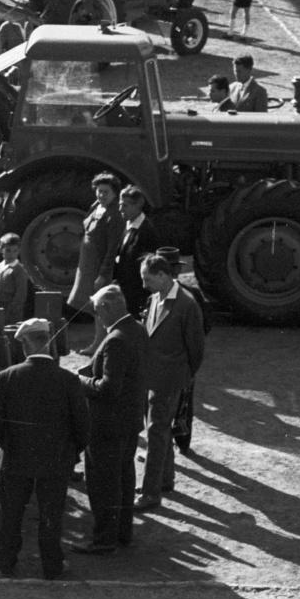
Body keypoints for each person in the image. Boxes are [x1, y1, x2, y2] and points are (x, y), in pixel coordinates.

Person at [0, 318, 89, 580]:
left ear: (25, 343)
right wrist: (70, 451)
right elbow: (82, 425)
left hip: (15, 458)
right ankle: (52, 565)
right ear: (48, 342)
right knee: (51, 516)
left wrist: (8, 446)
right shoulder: (68, 379)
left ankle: (6, 562)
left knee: (11, 514)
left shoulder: (7, 376)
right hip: (55, 460)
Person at [73, 285, 149, 554]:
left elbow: (107, 388)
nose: (97, 317)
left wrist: (79, 379)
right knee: (123, 480)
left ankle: (104, 539)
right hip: (129, 421)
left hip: (107, 425)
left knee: (103, 484)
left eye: (96, 311)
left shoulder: (115, 339)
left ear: (106, 308)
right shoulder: (137, 329)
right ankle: (123, 533)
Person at [138, 253, 203, 508]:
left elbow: (196, 350)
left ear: (163, 276)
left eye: (147, 279)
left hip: (170, 380)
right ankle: (165, 480)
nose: (144, 285)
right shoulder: (155, 298)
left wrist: (182, 378)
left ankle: (150, 493)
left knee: (156, 433)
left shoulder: (187, 305)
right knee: (160, 430)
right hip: (154, 378)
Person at [68, 173, 122, 318]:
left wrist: (103, 275)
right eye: (100, 191)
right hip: (86, 265)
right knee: (88, 301)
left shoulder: (114, 215)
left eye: (106, 192)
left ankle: (101, 336)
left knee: (99, 303)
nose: (102, 195)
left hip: (98, 266)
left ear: (114, 193)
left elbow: (112, 249)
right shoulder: (96, 206)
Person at [113, 185, 159, 316]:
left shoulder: (146, 231)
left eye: (125, 205)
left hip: (138, 294)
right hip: (126, 291)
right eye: (120, 204)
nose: (120, 209)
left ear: (137, 206)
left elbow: (148, 266)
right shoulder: (129, 225)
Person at [0, 233, 31, 322]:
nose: (11, 254)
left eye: (15, 251)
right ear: (1, 249)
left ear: (19, 251)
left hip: (11, 312)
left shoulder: (19, 270)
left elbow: (21, 294)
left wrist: (11, 312)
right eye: (8, 250)